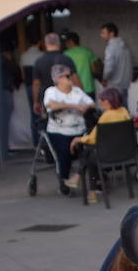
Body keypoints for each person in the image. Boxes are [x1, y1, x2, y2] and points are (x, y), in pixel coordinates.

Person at [69, 87, 130, 202]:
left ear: (111, 100)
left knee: (90, 155)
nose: (101, 102)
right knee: (90, 151)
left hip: (109, 155)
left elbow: (93, 138)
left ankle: (88, 188)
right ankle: (80, 179)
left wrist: (78, 139)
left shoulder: (107, 115)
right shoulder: (124, 111)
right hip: (125, 152)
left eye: (103, 100)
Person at [43, 63, 94, 191]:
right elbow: (52, 105)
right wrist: (75, 106)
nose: (71, 77)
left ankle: (83, 178)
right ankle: (64, 179)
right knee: (65, 153)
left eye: (71, 75)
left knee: (90, 149)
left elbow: (91, 103)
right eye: (67, 76)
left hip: (78, 128)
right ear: (58, 78)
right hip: (60, 130)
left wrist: (85, 107)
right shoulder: (51, 92)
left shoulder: (77, 91)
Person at [30, 33, 76, 117]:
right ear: (58, 43)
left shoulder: (39, 61)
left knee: (49, 122)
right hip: (66, 98)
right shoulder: (66, 59)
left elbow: (36, 84)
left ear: (45, 44)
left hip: (47, 99)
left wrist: (35, 102)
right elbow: (75, 80)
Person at [100, 22, 133, 103]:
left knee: (114, 112)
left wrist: (104, 79)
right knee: (124, 111)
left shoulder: (110, 48)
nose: (101, 36)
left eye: (103, 33)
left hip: (114, 85)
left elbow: (109, 68)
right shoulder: (125, 46)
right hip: (125, 84)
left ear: (111, 33)